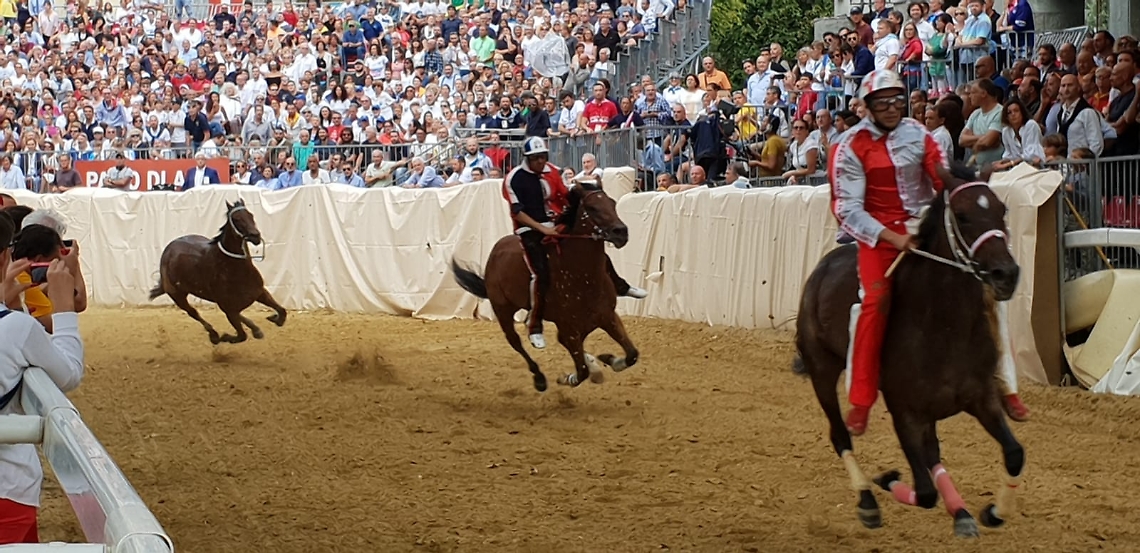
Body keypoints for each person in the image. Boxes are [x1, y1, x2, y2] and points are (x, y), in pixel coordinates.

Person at [830, 69, 1029, 437]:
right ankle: (861, 398)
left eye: (897, 100)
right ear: (868, 106)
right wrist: (892, 236)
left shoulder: (919, 134)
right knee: (874, 299)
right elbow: (846, 210)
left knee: (984, 286)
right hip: (878, 234)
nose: (892, 108)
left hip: (925, 220)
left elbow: (941, 177)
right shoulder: (849, 146)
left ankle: (1006, 385)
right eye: (882, 102)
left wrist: (966, 191)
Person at [503, 137, 647, 350]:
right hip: (530, 228)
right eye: (536, 158)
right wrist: (543, 229)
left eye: (543, 157)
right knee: (540, 273)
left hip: (556, 220)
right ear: (527, 159)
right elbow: (518, 212)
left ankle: (620, 286)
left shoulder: (551, 171)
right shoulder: (514, 178)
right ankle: (535, 324)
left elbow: (564, 195)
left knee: (593, 250)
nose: (541, 161)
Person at [0, 210, 85, 545]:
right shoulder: (14, 329)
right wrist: (63, 307)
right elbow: (69, 373)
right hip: (8, 489)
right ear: (6, 256)